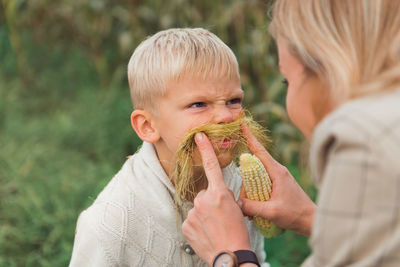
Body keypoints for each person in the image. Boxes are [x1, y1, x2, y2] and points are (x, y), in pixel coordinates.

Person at [182, 0, 400, 266]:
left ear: (331, 71)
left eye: (288, 80)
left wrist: (232, 254)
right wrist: (308, 217)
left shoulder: (362, 145)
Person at [69, 28, 268, 266]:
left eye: (234, 101)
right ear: (147, 126)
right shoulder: (110, 224)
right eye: (199, 104)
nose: (225, 116)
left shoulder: (241, 189)